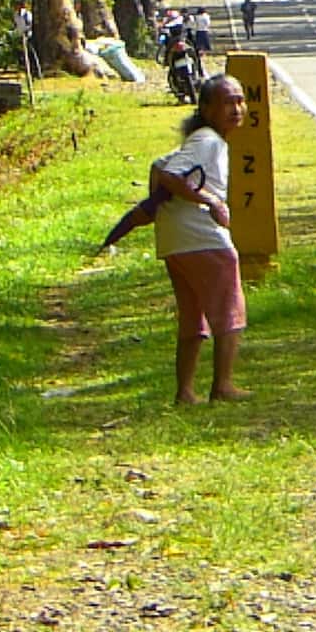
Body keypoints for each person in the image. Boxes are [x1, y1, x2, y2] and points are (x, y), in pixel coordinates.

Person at [98, 74, 252, 405]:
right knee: (230, 311)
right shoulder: (208, 141)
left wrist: (162, 204)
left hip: (174, 239)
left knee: (192, 316)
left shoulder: (200, 139)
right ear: (207, 109)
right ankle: (222, 386)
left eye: (240, 101)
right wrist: (210, 201)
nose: (237, 109)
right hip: (202, 237)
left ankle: (185, 392)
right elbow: (170, 174)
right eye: (227, 102)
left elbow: (159, 167)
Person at [13, 1, 37, 78]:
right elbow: (16, 25)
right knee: (20, 55)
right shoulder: (16, 15)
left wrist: (26, 33)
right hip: (20, 36)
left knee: (30, 54)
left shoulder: (27, 14)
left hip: (28, 36)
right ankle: (23, 69)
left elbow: (30, 25)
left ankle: (32, 71)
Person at [190, 7, 212, 73]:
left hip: (198, 31)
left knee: (199, 43)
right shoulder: (206, 16)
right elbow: (208, 24)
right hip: (204, 30)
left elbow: (195, 24)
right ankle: (204, 51)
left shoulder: (197, 17)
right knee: (205, 42)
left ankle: (200, 51)